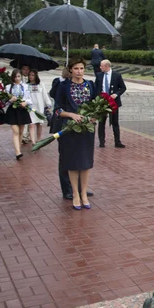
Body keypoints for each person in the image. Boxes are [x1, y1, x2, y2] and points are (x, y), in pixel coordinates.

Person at [52, 58, 96, 210]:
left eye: (82, 68)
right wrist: (71, 115)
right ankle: (75, 194)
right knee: (72, 163)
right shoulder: (63, 86)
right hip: (70, 129)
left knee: (85, 163)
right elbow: (57, 110)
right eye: (76, 68)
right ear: (70, 70)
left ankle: (84, 194)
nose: (79, 71)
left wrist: (94, 116)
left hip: (87, 130)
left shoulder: (91, 85)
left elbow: (96, 106)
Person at [95, 59, 126, 148]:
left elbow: (123, 88)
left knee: (115, 122)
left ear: (107, 66)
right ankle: (101, 142)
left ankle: (117, 141)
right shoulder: (99, 75)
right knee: (101, 122)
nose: (100, 67)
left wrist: (116, 94)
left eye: (102, 66)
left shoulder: (117, 75)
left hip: (113, 102)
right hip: (102, 102)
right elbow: (96, 87)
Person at [5, 69, 32, 160]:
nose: (17, 78)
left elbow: (30, 99)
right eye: (15, 76)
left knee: (21, 131)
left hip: (22, 110)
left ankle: (18, 149)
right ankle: (17, 152)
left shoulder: (25, 86)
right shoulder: (8, 87)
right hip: (13, 110)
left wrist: (25, 102)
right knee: (15, 131)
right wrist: (10, 100)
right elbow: (5, 102)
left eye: (19, 76)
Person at [26, 70, 52, 144]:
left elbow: (45, 95)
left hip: (39, 106)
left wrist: (48, 104)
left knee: (39, 123)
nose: (31, 77)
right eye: (30, 75)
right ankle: (33, 142)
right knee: (31, 124)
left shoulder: (40, 84)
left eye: (32, 75)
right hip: (30, 107)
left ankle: (38, 139)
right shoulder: (26, 85)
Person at [20, 65, 32, 145]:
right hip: (22, 102)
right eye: (24, 69)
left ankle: (28, 135)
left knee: (30, 119)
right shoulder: (19, 79)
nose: (26, 71)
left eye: (27, 69)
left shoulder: (31, 78)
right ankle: (23, 136)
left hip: (30, 101)